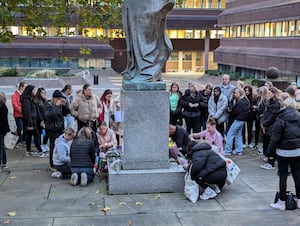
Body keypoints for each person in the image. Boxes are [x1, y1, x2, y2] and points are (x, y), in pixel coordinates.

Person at [121, 0, 174, 83]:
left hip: (148, 5)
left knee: (145, 33)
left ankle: (148, 70)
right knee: (134, 33)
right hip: (133, 6)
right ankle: (138, 69)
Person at [267, 93, 300, 210]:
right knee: (297, 176)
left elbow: (275, 138)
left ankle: (281, 202)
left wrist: (269, 153)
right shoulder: (298, 116)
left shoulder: (281, 118)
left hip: (283, 152)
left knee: (283, 177)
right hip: (297, 150)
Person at [224, 87, 250, 156]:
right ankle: (239, 150)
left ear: (240, 93)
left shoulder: (241, 101)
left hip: (238, 119)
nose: (234, 94)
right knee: (238, 134)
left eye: (235, 93)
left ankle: (227, 151)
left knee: (230, 134)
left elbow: (234, 111)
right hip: (242, 120)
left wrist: (230, 111)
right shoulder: (245, 100)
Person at [260, 87, 281, 170]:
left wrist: (264, 124)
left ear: (274, 93)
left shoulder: (276, 104)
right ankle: (268, 157)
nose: (268, 95)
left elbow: (272, 116)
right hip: (267, 125)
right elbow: (265, 114)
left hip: (272, 126)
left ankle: (271, 162)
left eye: (270, 93)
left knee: (271, 145)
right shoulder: (269, 102)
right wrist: (263, 123)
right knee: (266, 143)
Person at [44, 90, 66, 167]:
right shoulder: (48, 105)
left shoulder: (60, 106)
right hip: (52, 129)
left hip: (60, 128)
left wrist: (64, 105)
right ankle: (52, 163)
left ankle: (57, 162)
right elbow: (49, 115)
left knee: (59, 145)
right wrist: (56, 106)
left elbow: (66, 113)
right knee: (53, 146)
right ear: (56, 99)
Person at [21, 85, 44, 156]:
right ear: (30, 91)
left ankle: (28, 151)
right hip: (31, 121)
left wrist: (40, 120)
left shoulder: (32, 98)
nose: (35, 92)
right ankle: (40, 151)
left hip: (34, 120)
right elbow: (27, 112)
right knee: (36, 135)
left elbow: (36, 110)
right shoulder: (26, 100)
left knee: (30, 136)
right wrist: (30, 124)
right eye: (34, 90)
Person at [0, 93, 10, 169]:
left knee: (1, 146)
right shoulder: (4, 107)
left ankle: (2, 163)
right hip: (3, 129)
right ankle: (4, 162)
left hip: (1, 129)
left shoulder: (2, 108)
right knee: (2, 146)